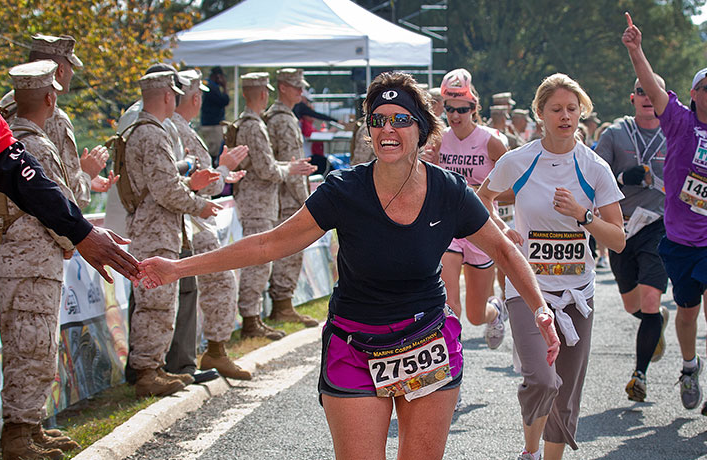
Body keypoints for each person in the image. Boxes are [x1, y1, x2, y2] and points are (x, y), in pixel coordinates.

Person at [139, 70, 560, 460]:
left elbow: (505, 251)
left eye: (400, 119)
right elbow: (269, 243)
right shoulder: (344, 190)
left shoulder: (448, 191)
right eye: (377, 120)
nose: (387, 129)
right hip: (354, 345)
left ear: (421, 128)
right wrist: (177, 268)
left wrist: (540, 309)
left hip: (426, 340)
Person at [0, 15, 141, 459]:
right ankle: (21, 430)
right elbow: (5, 160)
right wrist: (79, 231)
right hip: (27, 256)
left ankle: (28, 426)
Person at [478, 73, 626, 460]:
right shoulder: (519, 160)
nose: (565, 116)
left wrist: (583, 215)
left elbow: (618, 239)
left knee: (566, 392)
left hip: (577, 292)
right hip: (528, 289)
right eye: (556, 109)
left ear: (582, 113)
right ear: (540, 113)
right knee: (543, 380)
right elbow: (481, 199)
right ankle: (530, 452)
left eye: (572, 109)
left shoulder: (594, 167)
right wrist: (501, 230)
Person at [623, 12, 707, 419]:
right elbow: (652, 86)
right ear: (694, 93)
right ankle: (690, 367)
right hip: (679, 236)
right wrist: (636, 50)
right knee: (687, 311)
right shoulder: (679, 122)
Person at [0, 60, 82, 460]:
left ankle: (30, 426)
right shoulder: (36, 146)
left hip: (13, 262)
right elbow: (59, 205)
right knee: (33, 348)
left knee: (28, 346)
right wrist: (72, 241)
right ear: (51, 98)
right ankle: (19, 436)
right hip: (33, 264)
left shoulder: (2, 141)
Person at [125, 70, 222, 397]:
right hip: (155, 231)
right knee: (154, 304)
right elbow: (166, 190)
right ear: (168, 95)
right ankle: (146, 371)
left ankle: (154, 368)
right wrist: (200, 205)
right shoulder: (151, 134)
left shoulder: (149, 130)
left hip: (159, 229)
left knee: (161, 303)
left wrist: (189, 188)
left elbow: (164, 183)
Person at [170, 68, 249, 381]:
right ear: (193, 98)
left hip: (190, 220)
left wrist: (223, 172)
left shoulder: (178, 128)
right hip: (191, 221)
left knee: (205, 287)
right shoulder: (177, 130)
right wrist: (223, 169)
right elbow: (202, 182)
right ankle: (211, 351)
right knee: (219, 282)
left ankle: (208, 352)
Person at [595, 75, 670, 402]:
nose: (647, 97)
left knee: (650, 300)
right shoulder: (615, 133)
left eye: (653, 92)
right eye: (641, 91)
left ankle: (639, 375)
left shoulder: (673, 133)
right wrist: (623, 177)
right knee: (633, 305)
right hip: (622, 227)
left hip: (659, 226)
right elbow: (593, 177)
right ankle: (656, 322)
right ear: (632, 97)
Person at [232, 72, 316, 341]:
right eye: (296, 87)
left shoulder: (270, 119)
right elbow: (270, 167)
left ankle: (266, 312)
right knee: (267, 258)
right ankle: (263, 313)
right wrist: (302, 193)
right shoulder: (275, 121)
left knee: (268, 260)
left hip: (271, 198)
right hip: (274, 199)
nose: (300, 92)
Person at [431, 69, 509, 352]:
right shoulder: (438, 140)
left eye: (462, 109)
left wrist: (480, 193)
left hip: (480, 227)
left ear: (474, 108)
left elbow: (515, 189)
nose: (455, 115)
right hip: (449, 227)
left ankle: (496, 310)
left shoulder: (491, 141)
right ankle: (451, 368)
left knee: (476, 315)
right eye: (450, 109)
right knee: (450, 304)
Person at [0, 34, 117, 206]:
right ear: (61, 69)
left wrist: (80, 173)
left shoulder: (7, 104)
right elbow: (72, 198)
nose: (72, 73)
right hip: (33, 221)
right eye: (71, 66)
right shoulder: (53, 117)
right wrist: (87, 174)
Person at [266, 68, 320, 327]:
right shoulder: (284, 120)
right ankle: (282, 305)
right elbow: (291, 166)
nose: (301, 91)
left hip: (284, 195)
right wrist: (306, 201)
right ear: (283, 88)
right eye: (296, 86)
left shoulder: (280, 117)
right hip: (289, 198)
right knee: (289, 251)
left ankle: (283, 304)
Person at [199, 66, 230, 160]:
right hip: (213, 125)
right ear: (218, 76)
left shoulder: (209, 85)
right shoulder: (211, 87)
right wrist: (225, 87)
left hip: (208, 124)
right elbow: (225, 100)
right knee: (215, 153)